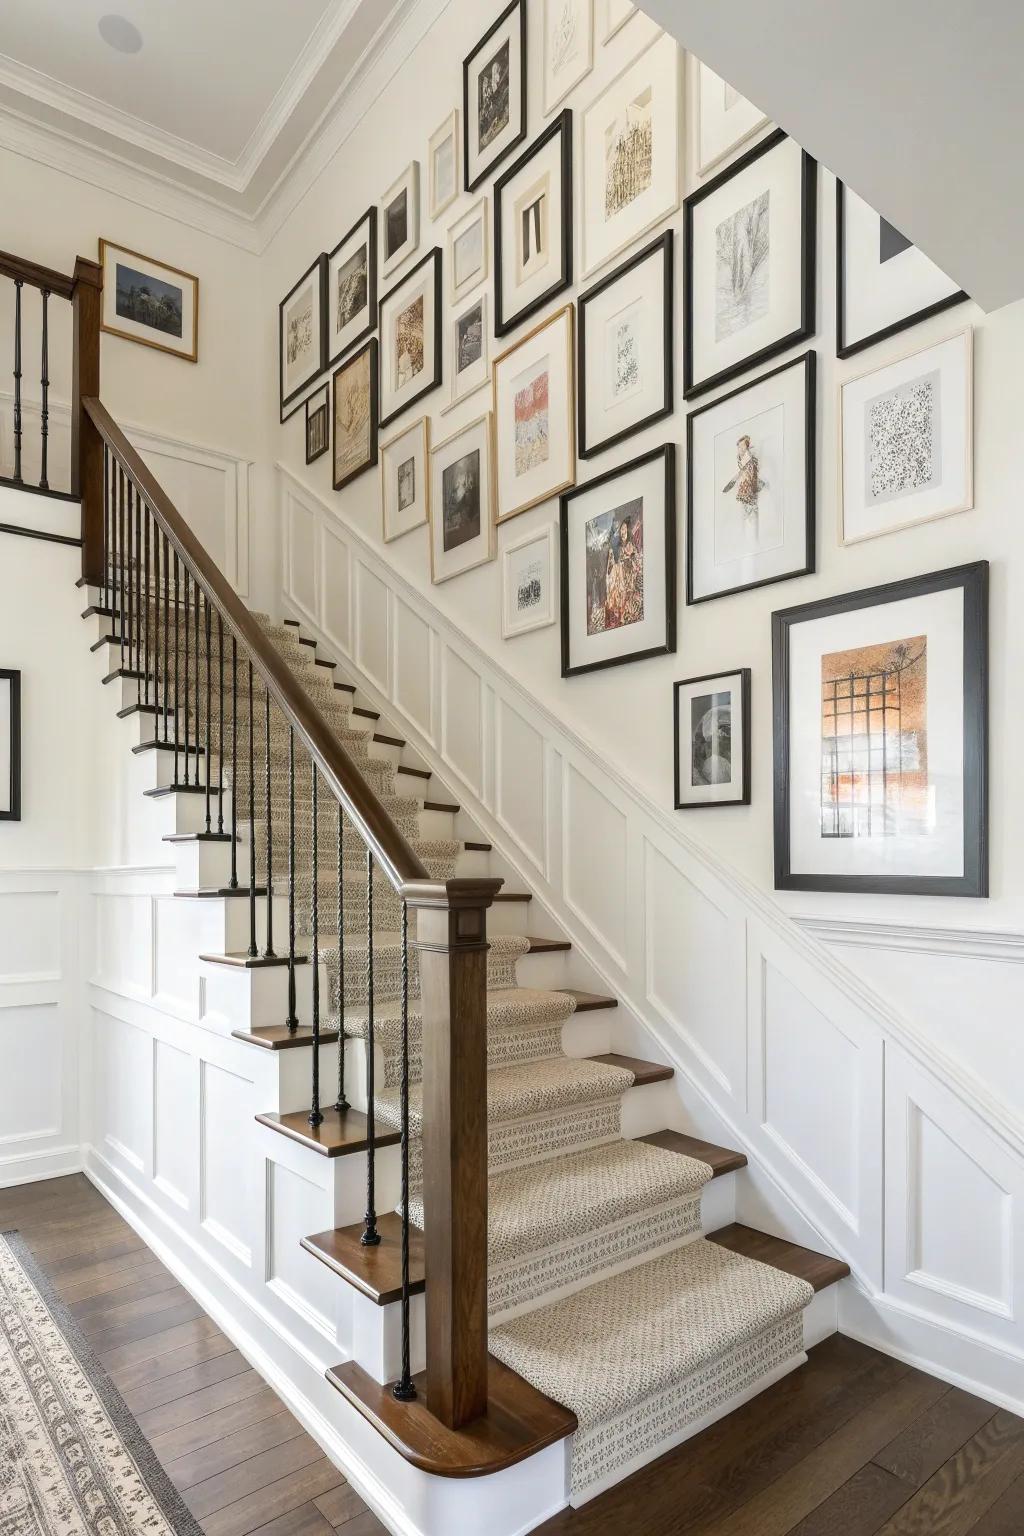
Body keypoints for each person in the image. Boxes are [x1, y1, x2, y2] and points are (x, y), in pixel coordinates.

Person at [721, 434, 767, 518]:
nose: (740, 448)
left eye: (743, 446)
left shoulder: (748, 456)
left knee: (751, 509)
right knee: (746, 510)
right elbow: (741, 471)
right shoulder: (739, 457)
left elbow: (742, 472)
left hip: (750, 484)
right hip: (745, 483)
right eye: (739, 446)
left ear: (747, 446)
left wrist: (734, 480)